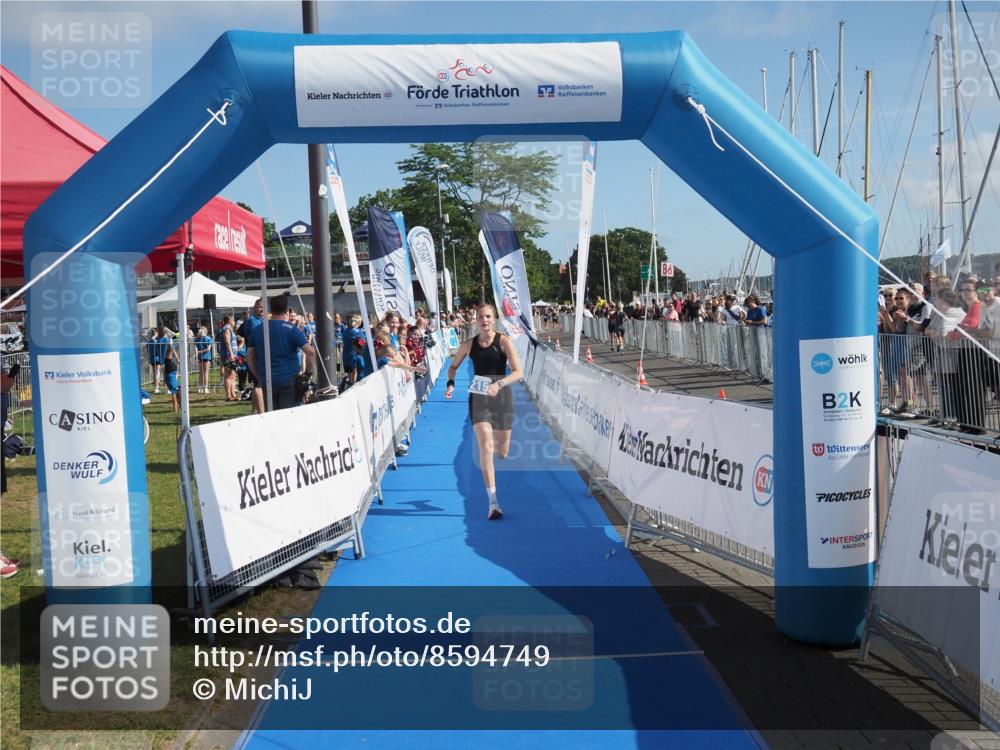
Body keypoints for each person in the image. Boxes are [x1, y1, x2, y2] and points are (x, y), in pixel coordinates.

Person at [444, 303, 523, 521]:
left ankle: (501, 453)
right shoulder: (469, 344)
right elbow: (453, 367)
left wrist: (500, 384)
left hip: (502, 396)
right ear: (475, 320)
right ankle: (493, 502)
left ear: (494, 319)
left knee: (502, 452)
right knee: (485, 446)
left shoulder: (503, 341)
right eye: (480, 316)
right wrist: (450, 384)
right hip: (479, 398)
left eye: (488, 316)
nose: (484, 320)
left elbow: (518, 372)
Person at [247, 295, 316, 411]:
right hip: (289, 380)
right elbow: (311, 352)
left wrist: (259, 375)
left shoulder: (259, 329)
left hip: (267, 380)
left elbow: (249, 357)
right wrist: (308, 373)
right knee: (289, 417)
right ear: (286, 310)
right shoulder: (291, 329)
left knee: (272, 417)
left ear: (270, 309)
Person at [218, 315, 238, 401]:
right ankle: (229, 395)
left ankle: (233, 394)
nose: (234, 322)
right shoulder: (226, 329)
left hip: (231, 354)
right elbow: (227, 341)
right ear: (230, 321)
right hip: (228, 355)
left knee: (233, 375)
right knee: (229, 375)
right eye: (233, 320)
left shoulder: (229, 329)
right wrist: (231, 353)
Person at [194, 326, 214, 394]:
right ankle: (204, 387)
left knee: (201, 373)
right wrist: (198, 353)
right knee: (205, 373)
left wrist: (198, 353)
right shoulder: (207, 338)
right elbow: (208, 349)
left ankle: (201, 387)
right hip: (206, 357)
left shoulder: (197, 339)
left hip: (202, 357)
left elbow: (196, 349)